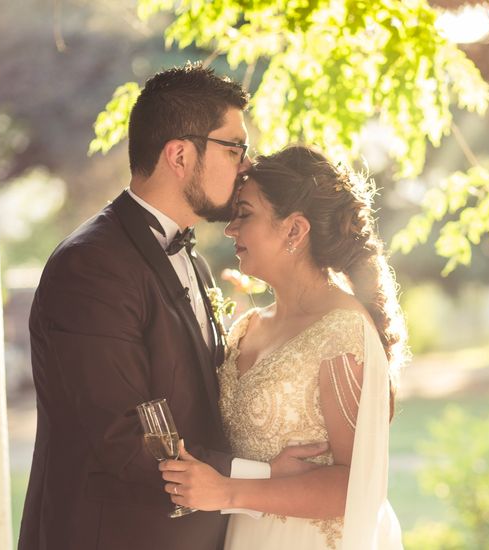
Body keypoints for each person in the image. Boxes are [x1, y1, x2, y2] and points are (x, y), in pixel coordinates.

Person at [18, 65, 325, 550]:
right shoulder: (90, 267)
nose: (246, 164)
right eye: (233, 148)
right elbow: (121, 438)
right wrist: (260, 476)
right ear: (180, 154)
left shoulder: (190, 258)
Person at [159, 146, 407, 550]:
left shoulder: (342, 332)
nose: (230, 229)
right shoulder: (246, 328)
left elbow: (355, 485)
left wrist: (227, 492)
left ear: (294, 230)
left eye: (245, 213)